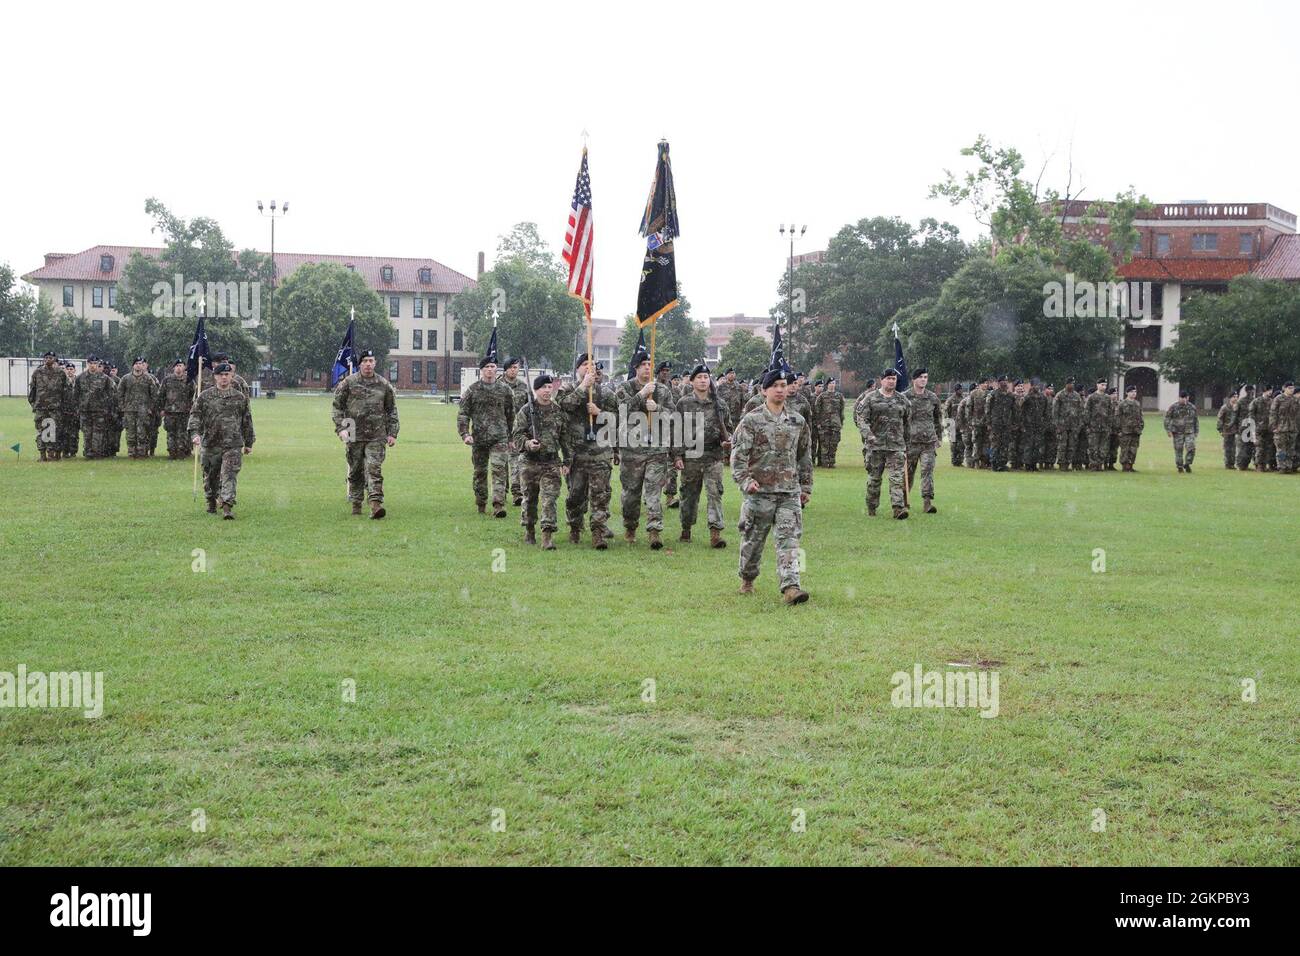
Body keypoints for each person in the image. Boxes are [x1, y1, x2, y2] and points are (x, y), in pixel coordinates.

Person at [730, 368, 811, 604]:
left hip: (788, 492)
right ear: (764, 390)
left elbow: (804, 456)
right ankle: (747, 579)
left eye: (783, 385)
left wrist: (805, 487)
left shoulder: (797, 421)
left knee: (790, 540)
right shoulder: (752, 420)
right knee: (753, 541)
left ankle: (791, 586)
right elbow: (738, 457)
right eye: (774, 385)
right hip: (759, 493)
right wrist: (745, 481)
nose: (780, 389)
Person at [615, 341, 681, 549]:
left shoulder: (662, 390)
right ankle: (630, 526)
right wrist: (642, 395)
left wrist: (657, 407)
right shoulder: (624, 388)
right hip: (632, 449)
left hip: (656, 449)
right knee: (631, 493)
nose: (647, 367)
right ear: (636, 367)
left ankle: (654, 531)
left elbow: (674, 416)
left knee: (653, 491)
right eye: (643, 364)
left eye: (649, 364)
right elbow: (621, 410)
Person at [557, 353, 618, 549]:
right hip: (575, 452)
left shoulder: (606, 393)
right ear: (578, 369)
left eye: (592, 364)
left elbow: (618, 420)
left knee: (600, 495)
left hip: (600, 452)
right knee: (576, 495)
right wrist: (583, 387)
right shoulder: (568, 389)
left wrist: (600, 413)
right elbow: (563, 406)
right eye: (584, 364)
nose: (589, 367)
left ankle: (598, 533)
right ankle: (575, 527)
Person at [332, 349, 399, 518]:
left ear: (375, 363)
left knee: (373, 468)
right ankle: (356, 502)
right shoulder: (348, 382)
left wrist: (392, 433)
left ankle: (375, 505)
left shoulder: (383, 385)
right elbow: (337, 406)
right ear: (360, 364)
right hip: (353, 430)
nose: (368, 364)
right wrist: (341, 428)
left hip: (377, 434)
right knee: (355, 470)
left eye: (371, 361)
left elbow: (391, 410)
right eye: (365, 361)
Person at [456, 339, 515, 517]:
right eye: (487, 367)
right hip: (479, 438)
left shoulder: (505, 390)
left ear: (496, 369)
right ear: (481, 370)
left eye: (493, 366)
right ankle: (481, 502)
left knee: (499, 470)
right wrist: (465, 434)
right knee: (480, 472)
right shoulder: (473, 390)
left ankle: (499, 506)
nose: (490, 369)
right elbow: (463, 413)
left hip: (500, 438)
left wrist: (511, 437)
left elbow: (511, 415)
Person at [512, 373, 571, 549]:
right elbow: (516, 435)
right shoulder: (525, 411)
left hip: (551, 463)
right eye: (543, 388)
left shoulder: (558, 411)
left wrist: (566, 461)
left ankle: (547, 536)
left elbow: (565, 438)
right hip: (529, 462)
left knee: (549, 499)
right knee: (529, 499)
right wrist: (528, 443)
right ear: (536, 390)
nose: (547, 390)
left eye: (549, 387)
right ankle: (529, 530)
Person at [189, 362, 255, 518]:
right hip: (211, 442)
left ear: (232, 376)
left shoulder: (239, 397)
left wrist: (249, 442)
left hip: (232, 443)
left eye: (227, 374)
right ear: (215, 377)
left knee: (229, 474)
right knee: (211, 476)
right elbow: (195, 416)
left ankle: (227, 506)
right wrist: (194, 434)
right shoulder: (205, 396)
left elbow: (247, 420)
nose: (224, 377)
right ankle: (211, 500)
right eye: (221, 375)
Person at [676, 364, 732, 547]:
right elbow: (676, 431)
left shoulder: (720, 404)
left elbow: (728, 429)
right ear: (692, 381)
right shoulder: (683, 403)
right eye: (699, 377)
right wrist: (677, 456)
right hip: (691, 456)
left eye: (706, 377)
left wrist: (727, 442)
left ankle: (715, 533)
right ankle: (686, 529)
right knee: (689, 495)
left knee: (714, 494)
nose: (702, 380)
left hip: (713, 456)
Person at [857, 368, 911, 518]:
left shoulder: (902, 400)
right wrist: (869, 435)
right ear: (882, 380)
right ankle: (872, 507)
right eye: (888, 378)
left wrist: (906, 442)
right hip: (876, 446)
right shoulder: (870, 398)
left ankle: (898, 508)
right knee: (874, 479)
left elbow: (907, 422)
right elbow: (861, 419)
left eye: (894, 379)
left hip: (896, 446)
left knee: (896, 478)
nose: (891, 381)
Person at [904, 368, 941, 513]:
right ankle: (904, 501)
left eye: (925, 377)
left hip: (928, 442)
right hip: (910, 442)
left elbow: (938, 419)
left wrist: (938, 436)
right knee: (908, 473)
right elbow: (899, 419)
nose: (923, 380)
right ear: (914, 380)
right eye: (920, 377)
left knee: (927, 471)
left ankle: (927, 502)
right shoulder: (905, 397)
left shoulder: (932, 398)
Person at [499, 358, 529, 506]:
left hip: (517, 430)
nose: (513, 370)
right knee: (500, 462)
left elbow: (528, 408)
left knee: (516, 462)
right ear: (505, 369)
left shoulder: (523, 386)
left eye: (516, 367)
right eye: (511, 367)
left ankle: (517, 493)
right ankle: (501, 493)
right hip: (499, 430)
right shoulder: (498, 385)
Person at [117, 356, 160, 459]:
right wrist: (122, 407)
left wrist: (150, 408)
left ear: (143, 365)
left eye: (140, 363)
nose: (138, 365)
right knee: (130, 433)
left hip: (143, 411)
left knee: (142, 433)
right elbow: (119, 393)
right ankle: (131, 453)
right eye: (136, 363)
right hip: (129, 410)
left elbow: (154, 395)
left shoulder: (148, 379)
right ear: (133, 365)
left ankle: (142, 453)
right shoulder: (126, 378)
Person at [27, 351, 66, 461]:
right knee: (42, 431)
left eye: (51, 357)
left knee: (55, 430)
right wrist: (34, 404)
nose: (49, 359)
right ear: (44, 359)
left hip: (56, 408)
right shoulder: (37, 372)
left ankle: (53, 454)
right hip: (41, 408)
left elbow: (65, 391)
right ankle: (42, 455)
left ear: (54, 359)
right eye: (47, 357)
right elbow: (33, 391)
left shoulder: (60, 373)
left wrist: (63, 405)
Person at [75, 356, 115, 459]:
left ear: (97, 365)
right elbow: (76, 394)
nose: (93, 365)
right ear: (88, 364)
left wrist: (106, 407)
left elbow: (110, 394)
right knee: (87, 432)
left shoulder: (105, 378)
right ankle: (88, 452)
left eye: (95, 363)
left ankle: (97, 452)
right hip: (85, 410)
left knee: (98, 433)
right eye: (91, 363)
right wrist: (78, 407)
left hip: (99, 410)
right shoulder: (80, 378)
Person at [158, 359, 193, 459]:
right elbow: (161, 395)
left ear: (184, 367)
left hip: (184, 411)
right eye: (177, 366)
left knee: (182, 432)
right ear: (174, 368)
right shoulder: (167, 380)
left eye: (181, 365)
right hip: (170, 411)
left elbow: (191, 394)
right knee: (171, 433)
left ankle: (181, 452)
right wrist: (161, 409)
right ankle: (172, 452)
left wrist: (189, 406)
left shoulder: (189, 380)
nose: (178, 367)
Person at [1052, 377, 1085, 470]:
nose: (1072, 385)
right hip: (1062, 425)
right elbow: (1055, 411)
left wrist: (1079, 425)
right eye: (1070, 383)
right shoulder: (1060, 395)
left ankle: (1068, 463)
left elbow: (1081, 411)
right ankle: (1062, 464)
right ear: (1066, 384)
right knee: (1062, 445)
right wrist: (1057, 425)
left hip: (1074, 425)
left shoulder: (1076, 396)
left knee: (1071, 445)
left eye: (1073, 384)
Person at [985, 375, 1016, 472]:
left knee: (1005, 444)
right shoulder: (993, 394)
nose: (1005, 383)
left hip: (1006, 424)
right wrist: (988, 423)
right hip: (995, 424)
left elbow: (1015, 410)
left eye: (1006, 381)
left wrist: (1014, 423)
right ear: (999, 383)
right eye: (1003, 381)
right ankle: (994, 464)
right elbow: (987, 409)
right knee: (995, 444)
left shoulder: (1010, 396)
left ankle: (1002, 464)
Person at [814, 378, 846, 468]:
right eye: (830, 383)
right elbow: (817, 409)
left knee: (834, 443)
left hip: (836, 423)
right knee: (824, 443)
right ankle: (824, 462)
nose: (832, 385)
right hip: (824, 423)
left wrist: (841, 422)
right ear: (827, 385)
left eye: (834, 383)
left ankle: (831, 462)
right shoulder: (822, 396)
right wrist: (818, 422)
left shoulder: (839, 396)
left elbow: (841, 410)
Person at [1164, 391, 1199, 473]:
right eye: (1182, 398)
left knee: (1191, 448)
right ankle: (1179, 466)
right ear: (1179, 398)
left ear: (1188, 398)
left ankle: (1187, 463)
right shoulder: (1173, 407)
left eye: (1185, 398)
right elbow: (1167, 418)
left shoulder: (1192, 407)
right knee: (1178, 449)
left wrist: (1196, 431)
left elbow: (1196, 420)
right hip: (1177, 432)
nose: (1183, 399)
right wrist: (1168, 430)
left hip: (1189, 431)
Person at [1084, 379, 1112, 471]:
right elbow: (1087, 411)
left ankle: (1100, 464)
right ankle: (1093, 464)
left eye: (1105, 385)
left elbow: (1110, 412)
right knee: (1093, 446)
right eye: (1102, 385)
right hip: (1093, 426)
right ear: (1097, 385)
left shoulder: (1107, 398)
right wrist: (1088, 424)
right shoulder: (1092, 397)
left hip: (1105, 426)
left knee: (1103, 447)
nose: (1104, 387)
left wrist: (1109, 424)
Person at [1269, 382, 1298, 473]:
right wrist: (1274, 426)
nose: (1291, 390)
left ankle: (1288, 467)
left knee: (1290, 449)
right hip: (1280, 428)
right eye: (1289, 388)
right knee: (1281, 450)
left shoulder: (1295, 400)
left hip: (1292, 428)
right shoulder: (1278, 399)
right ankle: (1282, 467)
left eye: (1293, 388)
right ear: (1284, 388)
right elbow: (1273, 413)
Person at [1115, 385, 1144, 472]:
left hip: (1136, 431)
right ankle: (1125, 465)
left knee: (1133, 449)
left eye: (1135, 392)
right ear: (1127, 393)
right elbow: (1117, 417)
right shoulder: (1122, 404)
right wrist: (1118, 430)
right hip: (1125, 431)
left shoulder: (1137, 404)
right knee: (1125, 449)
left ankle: (1131, 465)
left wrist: (1141, 427)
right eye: (1131, 392)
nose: (1133, 393)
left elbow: (1140, 416)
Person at [1251, 385, 1277, 471]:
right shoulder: (1256, 401)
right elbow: (1251, 416)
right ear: (1264, 391)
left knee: (1269, 448)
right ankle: (1259, 465)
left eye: (1271, 390)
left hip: (1269, 429)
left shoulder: (1272, 402)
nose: (1270, 392)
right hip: (1259, 429)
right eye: (1269, 390)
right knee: (1260, 448)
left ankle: (1268, 465)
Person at [60, 362, 80, 459]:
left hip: (75, 411)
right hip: (64, 411)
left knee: (74, 433)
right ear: (65, 370)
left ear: (74, 370)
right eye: (68, 369)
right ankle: (65, 451)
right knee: (64, 433)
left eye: (71, 369)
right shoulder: (62, 381)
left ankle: (73, 452)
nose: (69, 371)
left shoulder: (79, 381)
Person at [1235, 385, 1257, 469]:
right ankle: (1241, 465)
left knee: (1253, 447)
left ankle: (1256, 464)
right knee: (1243, 448)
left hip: (1253, 427)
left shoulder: (1255, 401)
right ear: (1247, 391)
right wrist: (1236, 428)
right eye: (1250, 391)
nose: (1251, 393)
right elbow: (1235, 415)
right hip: (1243, 428)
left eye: (1253, 391)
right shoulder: (1241, 402)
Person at [943, 385, 965, 467]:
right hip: (952, 424)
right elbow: (946, 411)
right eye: (959, 390)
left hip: (961, 424)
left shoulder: (963, 399)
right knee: (953, 443)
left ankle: (960, 460)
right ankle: (954, 460)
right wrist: (947, 423)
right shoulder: (950, 400)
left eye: (961, 389)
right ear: (956, 390)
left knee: (961, 443)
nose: (961, 391)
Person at [1216, 395, 1238, 469]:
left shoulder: (1236, 407)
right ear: (1230, 398)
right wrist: (1220, 430)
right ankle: (1227, 464)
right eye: (1234, 397)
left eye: (1236, 397)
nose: (1235, 398)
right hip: (1227, 430)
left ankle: (1232, 463)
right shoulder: (1225, 407)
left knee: (1234, 448)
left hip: (1235, 431)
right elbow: (1220, 418)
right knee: (1227, 448)